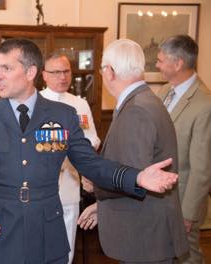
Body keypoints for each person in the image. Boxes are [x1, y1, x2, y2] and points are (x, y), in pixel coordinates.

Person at [0, 38, 178, 264]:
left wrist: (136, 176)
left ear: (30, 72)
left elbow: (92, 164)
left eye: (6, 67)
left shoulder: (63, 115)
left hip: (46, 236)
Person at [78, 39, 188, 263]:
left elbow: (134, 176)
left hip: (144, 237)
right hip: (147, 233)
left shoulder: (136, 110)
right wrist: (102, 205)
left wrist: (95, 186)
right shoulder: (147, 101)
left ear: (109, 72)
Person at [40, 53, 100, 264]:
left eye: (66, 71)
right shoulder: (35, 102)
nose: (62, 77)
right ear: (44, 75)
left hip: (69, 185)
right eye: (56, 72)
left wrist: (79, 148)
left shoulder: (80, 104)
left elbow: (92, 138)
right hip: (41, 188)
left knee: (66, 248)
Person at [156, 35, 211, 264]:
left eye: (160, 60)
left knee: (187, 256)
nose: (157, 65)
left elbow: (202, 169)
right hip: (160, 194)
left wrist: (188, 213)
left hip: (182, 200)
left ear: (177, 63)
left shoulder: (204, 104)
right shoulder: (165, 92)